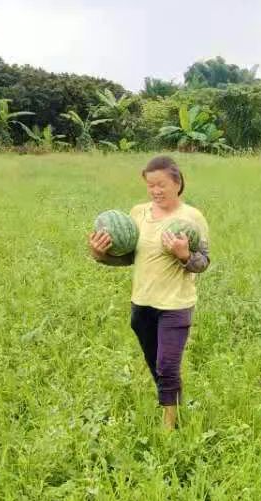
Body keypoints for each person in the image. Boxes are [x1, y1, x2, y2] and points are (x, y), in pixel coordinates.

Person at [88, 155, 210, 430]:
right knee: (155, 362)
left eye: (161, 184)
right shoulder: (138, 213)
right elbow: (129, 257)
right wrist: (99, 255)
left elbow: (203, 262)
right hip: (142, 303)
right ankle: (171, 398)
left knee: (167, 365)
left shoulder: (191, 218)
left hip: (175, 305)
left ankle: (169, 425)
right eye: (150, 185)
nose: (155, 191)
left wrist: (184, 255)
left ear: (177, 183)